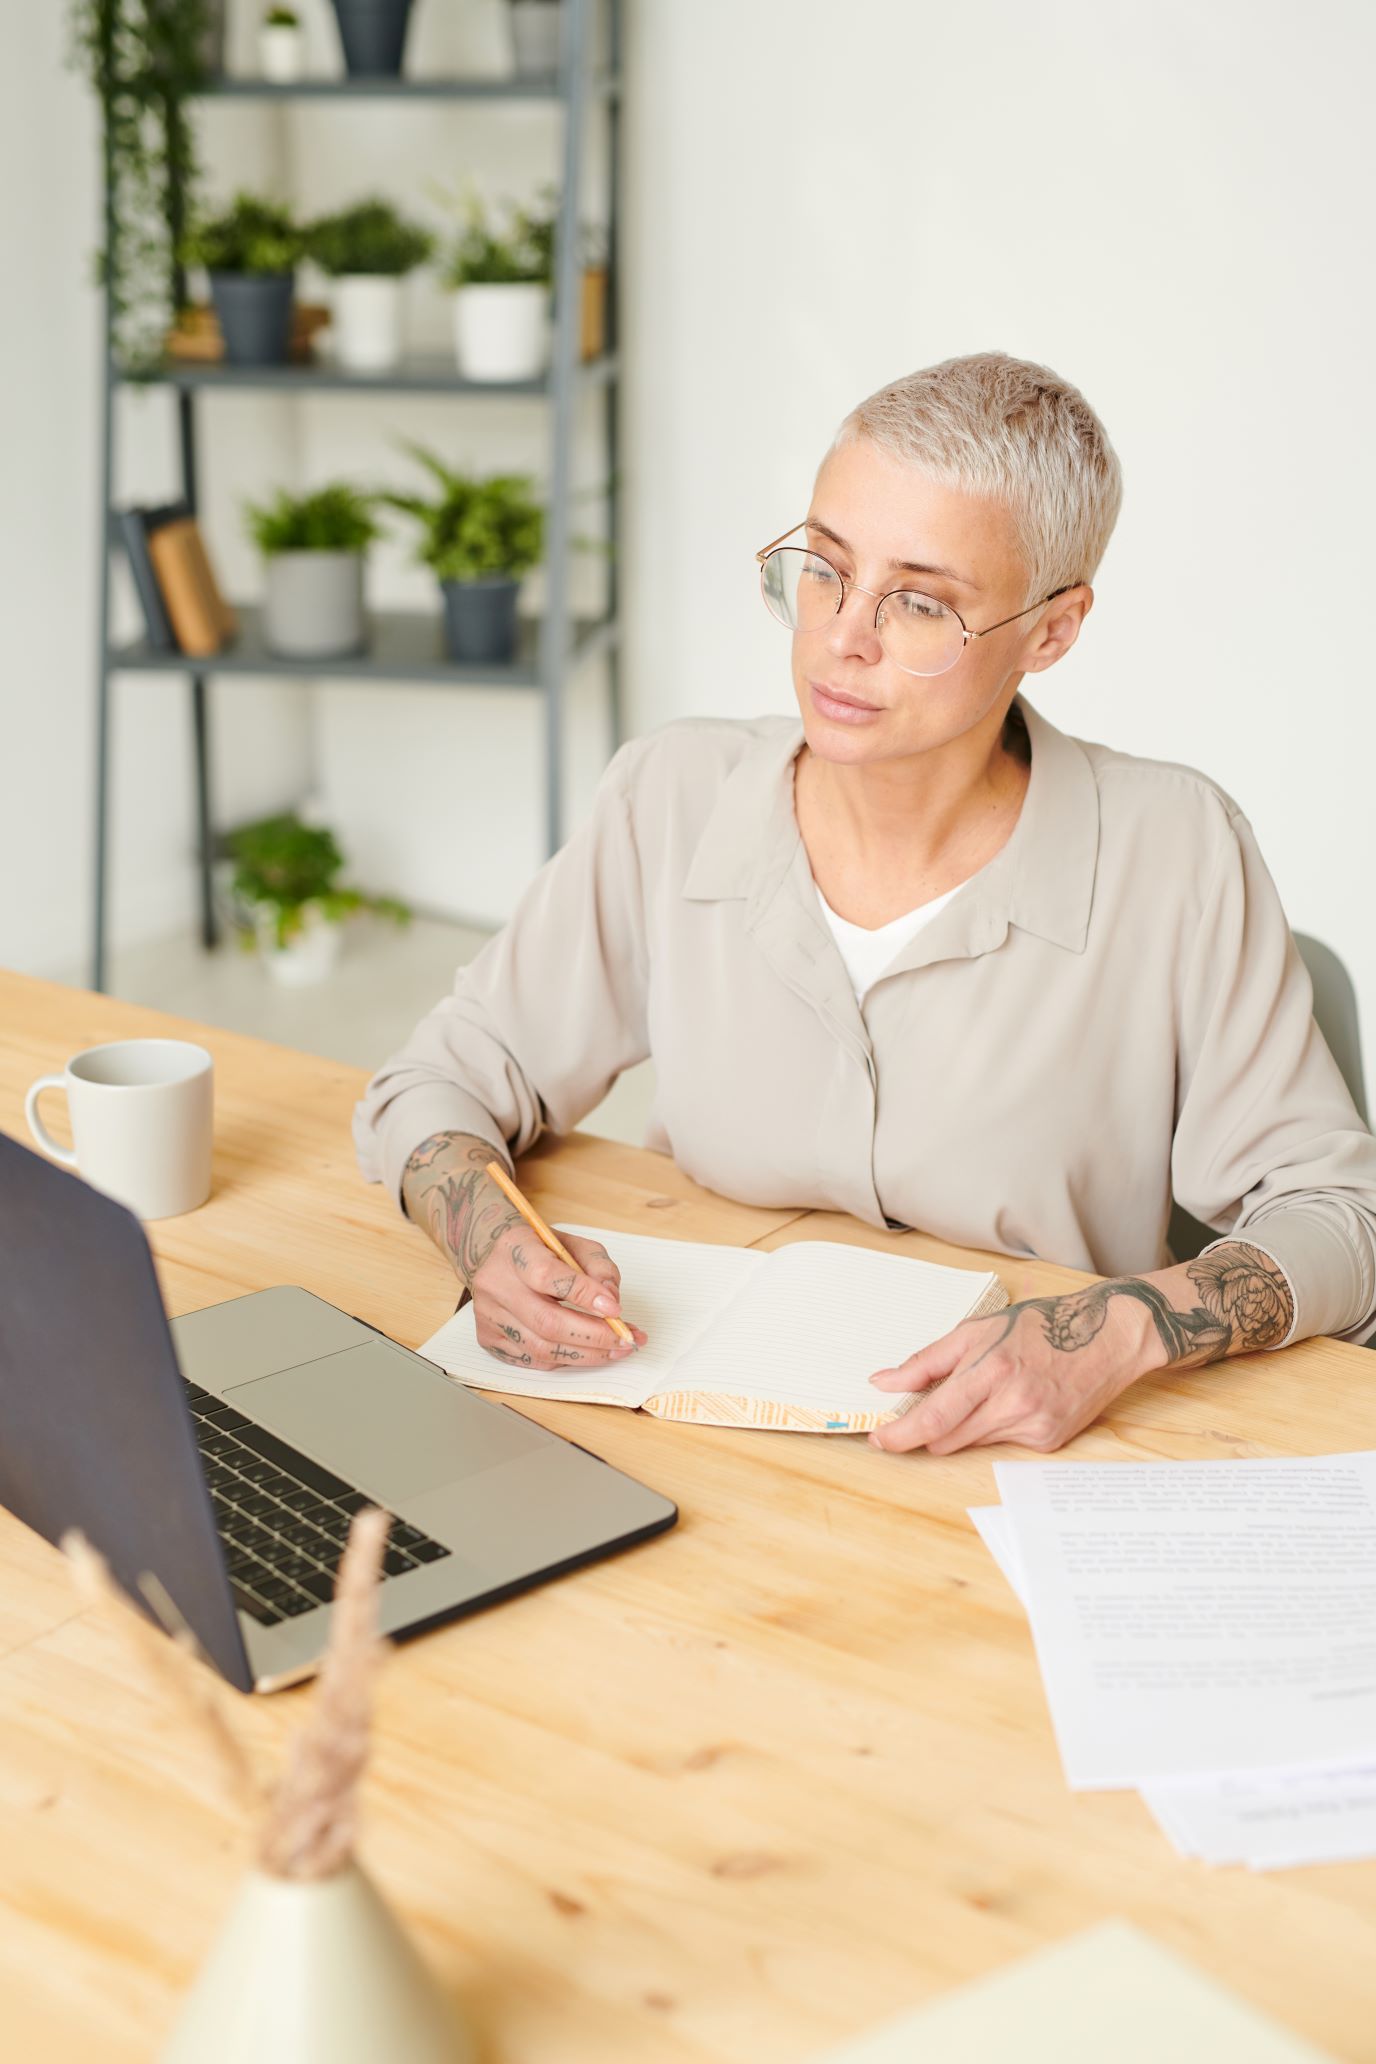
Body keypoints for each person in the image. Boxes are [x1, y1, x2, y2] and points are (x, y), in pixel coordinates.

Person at [354, 351, 1376, 1456]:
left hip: (1010, 1461)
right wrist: (484, 1235)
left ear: (1050, 631)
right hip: (685, 1425)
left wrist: (1126, 1328)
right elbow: (436, 1082)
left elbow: (1341, 1220)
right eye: (824, 568)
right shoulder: (672, 793)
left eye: (920, 603)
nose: (843, 635)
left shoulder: (1176, 851)